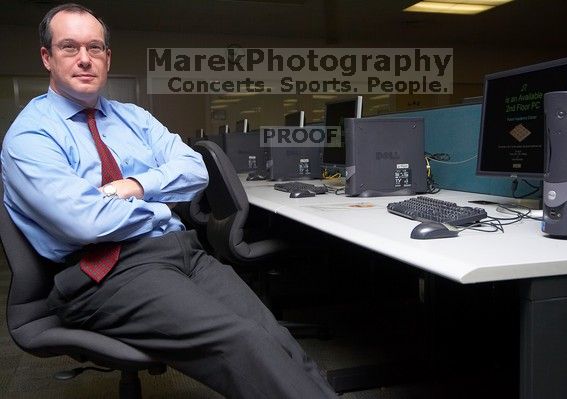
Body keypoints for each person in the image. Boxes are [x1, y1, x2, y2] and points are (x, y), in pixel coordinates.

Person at [1, 4, 336, 398]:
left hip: (182, 251)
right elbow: (86, 223)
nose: (85, 59)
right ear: (48, 57)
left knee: (272, 333)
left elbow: (196, 170)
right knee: (242, 340)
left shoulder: (133, 118)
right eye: (70, 47)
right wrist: (161, 206)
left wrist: (138, 186)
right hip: (106, 272)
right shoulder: (30, 136)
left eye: (95, 47)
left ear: (108, 57)